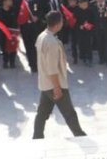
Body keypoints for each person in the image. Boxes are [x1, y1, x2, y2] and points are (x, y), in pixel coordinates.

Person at [32, 11, 86, 139]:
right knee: (69, 114)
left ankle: (37, 136)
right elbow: (52, 68)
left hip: (45, 83)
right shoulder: (51, 42)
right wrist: (57, 87)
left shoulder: (42, 36)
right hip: (54, 84)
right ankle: (80, 136)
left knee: (42, 113)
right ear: (58, 24)